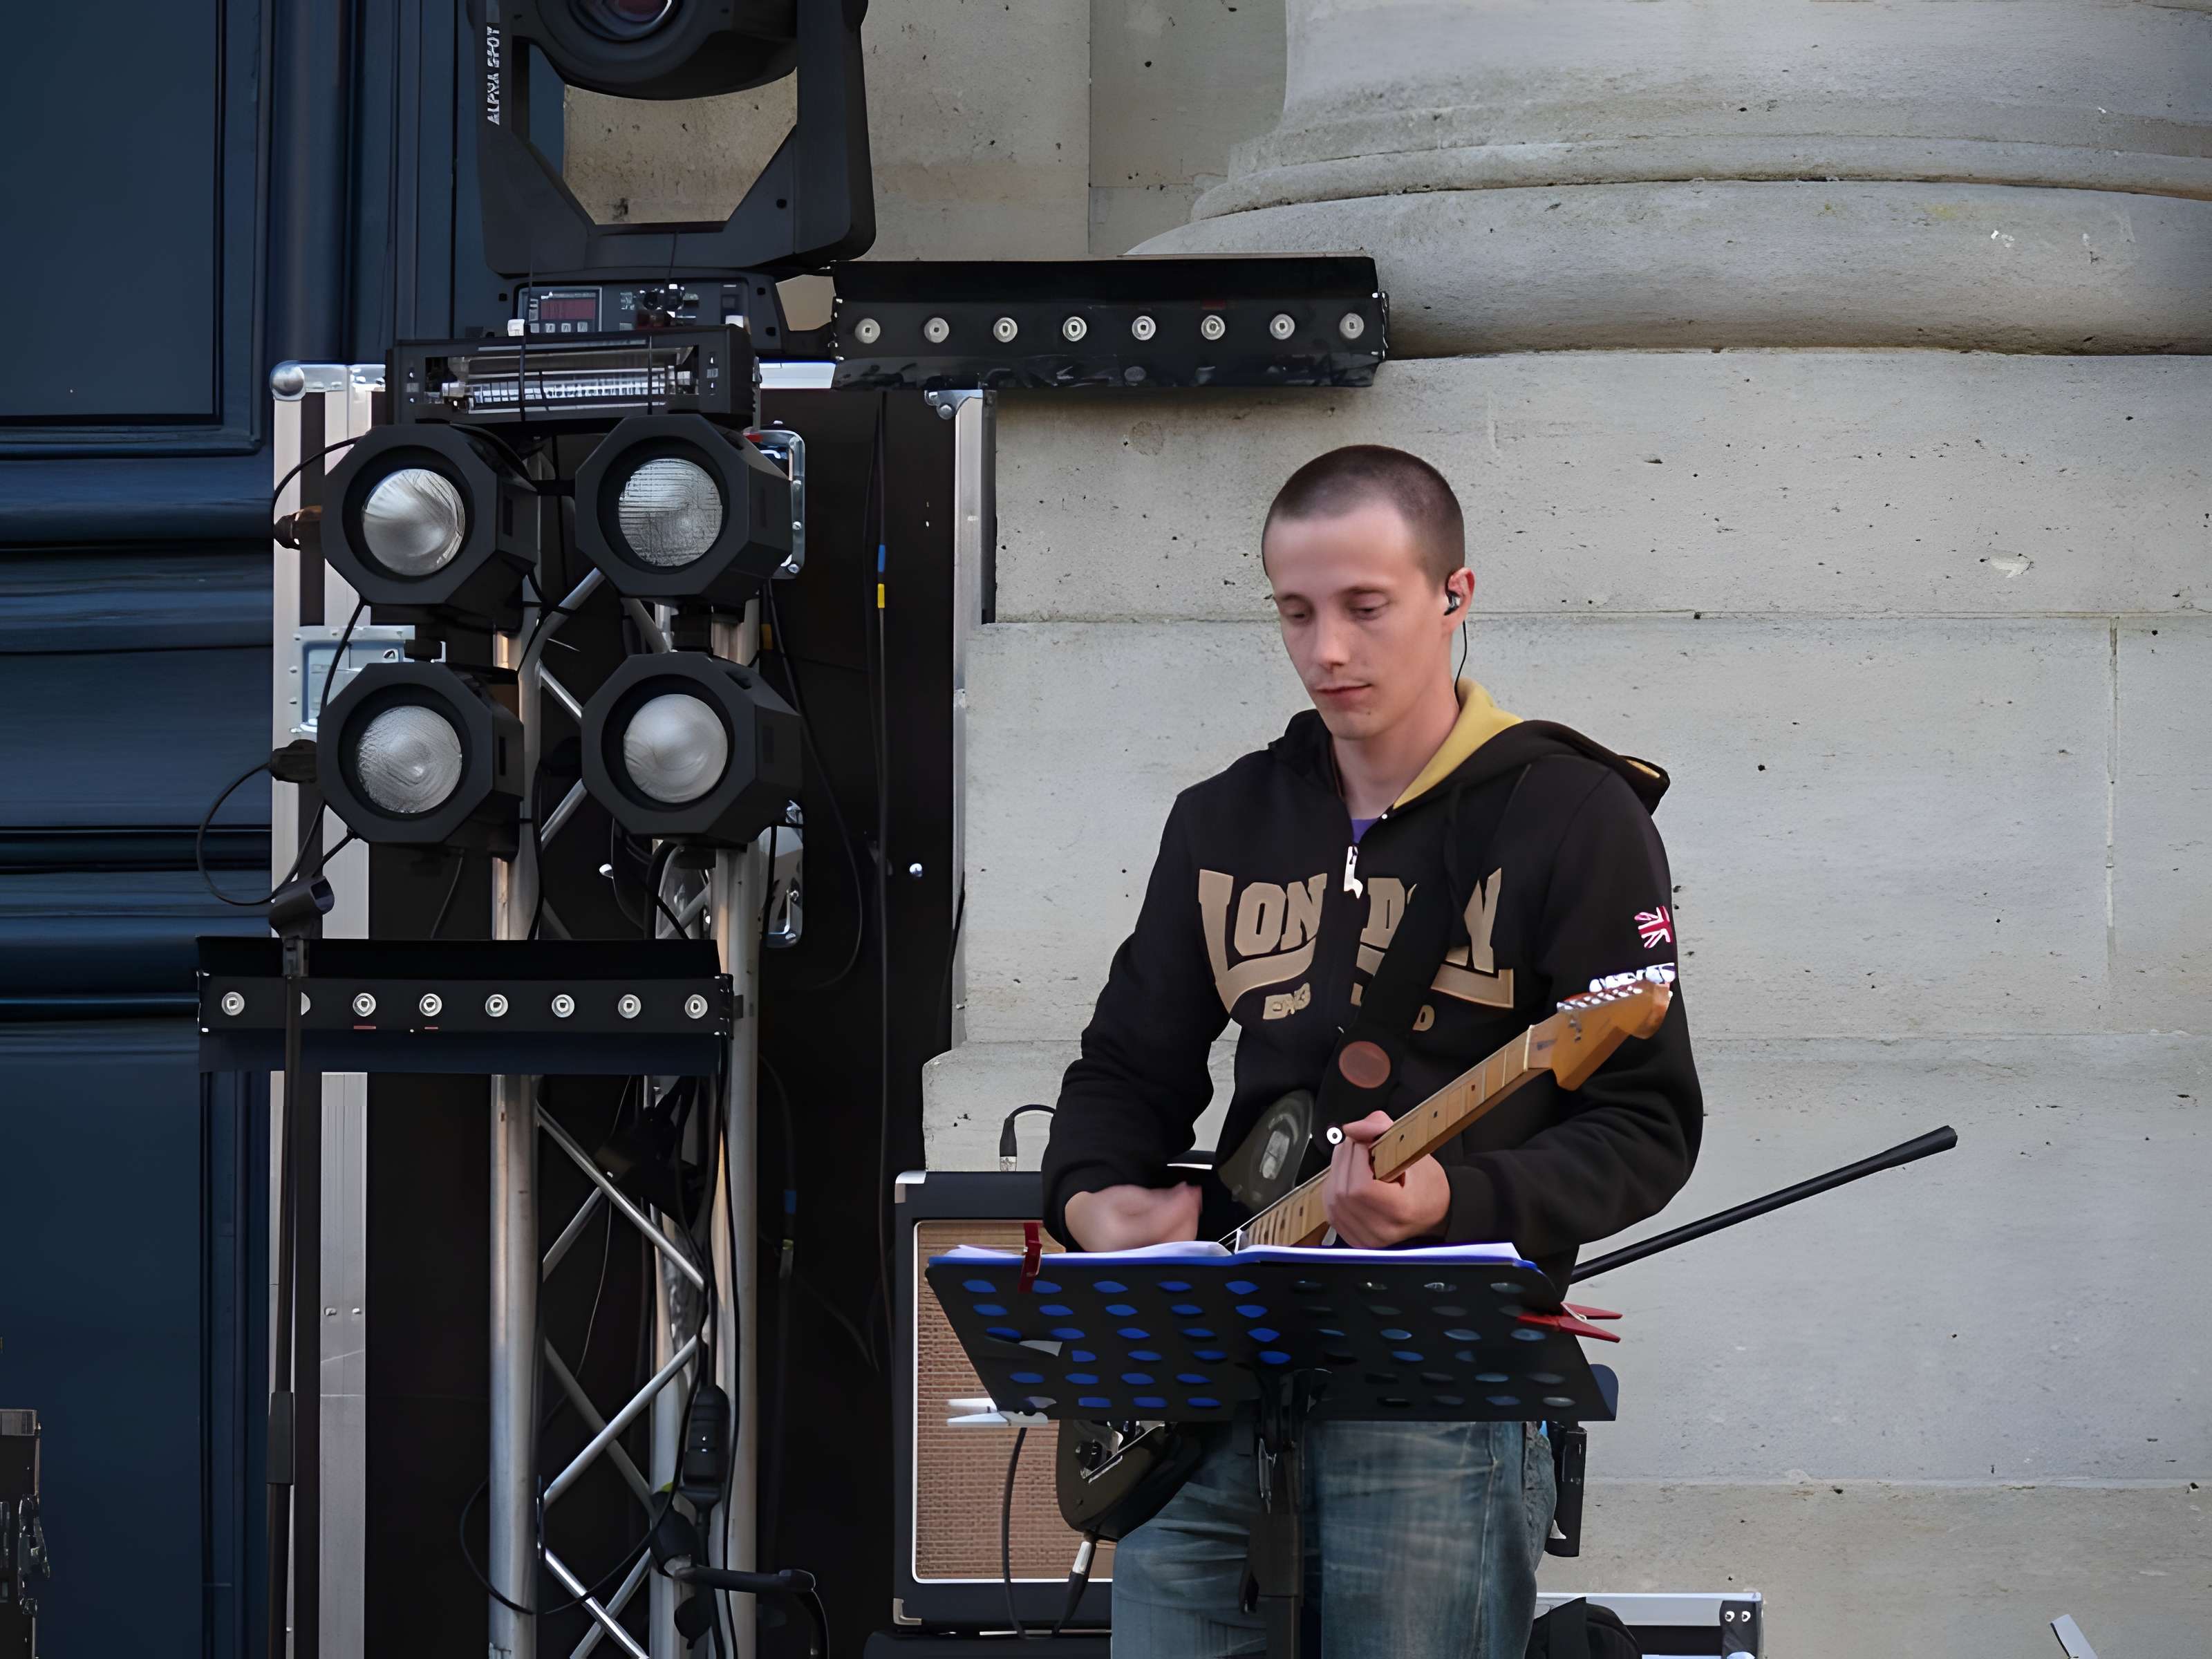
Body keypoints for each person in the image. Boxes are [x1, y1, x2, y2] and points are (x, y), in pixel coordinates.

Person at [1040, 444, 1703, 1658]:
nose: (1326, 651)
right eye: (1295, 613)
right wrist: (1094, 1198)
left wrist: (1461, 1194)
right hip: (1202, 1382)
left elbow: (1647, 1125)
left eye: (1365, 607)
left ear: (1456, 595)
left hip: (1438, 1392)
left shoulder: (1571, 815)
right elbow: (1126, 1071)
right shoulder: (1223, 816)